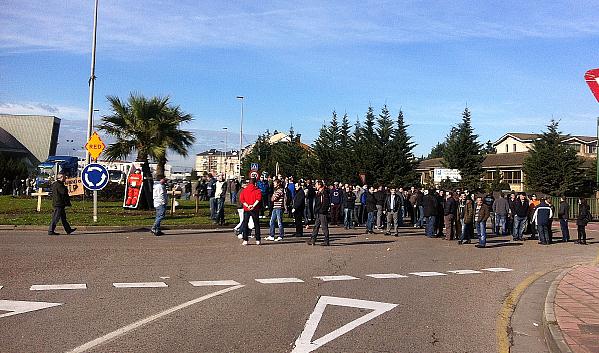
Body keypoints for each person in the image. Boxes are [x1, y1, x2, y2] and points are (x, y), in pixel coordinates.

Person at [240, 178, 262, 245]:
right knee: (256, 224)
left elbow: (242, 199)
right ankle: (258, 240)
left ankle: (245, 240)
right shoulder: (257, 190)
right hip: (255, 209)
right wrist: (253, 205)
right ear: (255, 183)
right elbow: (259, 199)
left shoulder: (244, 190)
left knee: (245, 224)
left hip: (247, 209)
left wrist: (247, 206)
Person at [307, 180, 330, 246]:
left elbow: (325, 203)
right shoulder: (319, 192)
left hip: (322, 212)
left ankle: (326, 241)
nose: (315, 186)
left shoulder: (324, 193)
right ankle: (313, 240)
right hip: (318, 212)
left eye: (316, 184)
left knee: (324, 227)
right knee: (316, 226)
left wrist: (322, 210)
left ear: (319, 185)